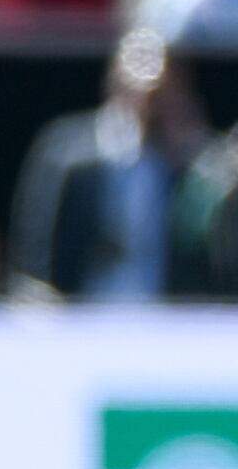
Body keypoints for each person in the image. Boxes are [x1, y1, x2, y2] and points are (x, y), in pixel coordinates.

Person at [11, 28, 210, 303]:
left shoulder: (197, 166)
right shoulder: (66, 152)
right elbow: (37, 251)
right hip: (82, 318)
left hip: (165, 321)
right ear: (113, 81)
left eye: (163, 93)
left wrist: (193, 159)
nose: (148, 101)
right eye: (138, 84)